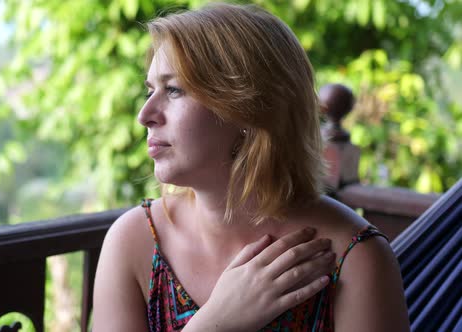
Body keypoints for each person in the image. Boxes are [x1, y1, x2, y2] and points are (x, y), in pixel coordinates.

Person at [92, 3, 409, 331]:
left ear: (247, 110)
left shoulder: (352, 257)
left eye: (173, 90)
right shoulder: (135, 241)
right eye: (150, 90)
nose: (145, 114)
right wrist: (215, 323)